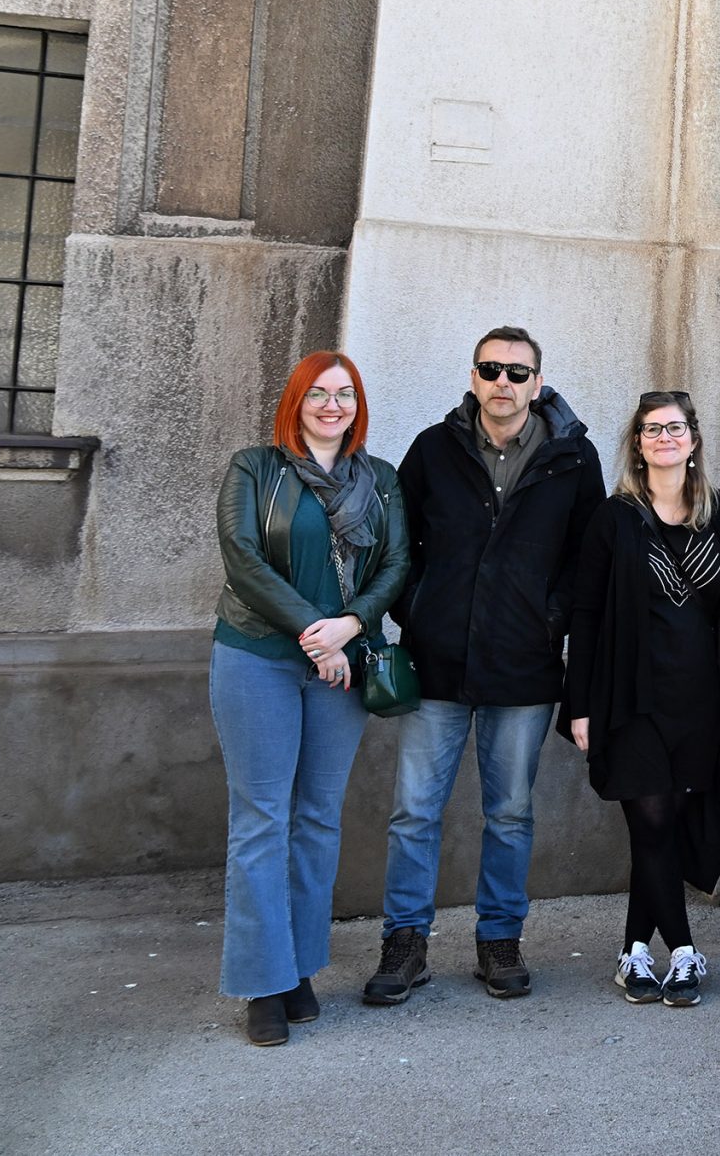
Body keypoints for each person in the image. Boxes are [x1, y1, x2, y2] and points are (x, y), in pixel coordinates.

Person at [367, 326, 604, 1006]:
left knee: (509, 812)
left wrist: (549, 619)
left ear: (537, 382)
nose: (503, 381)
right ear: (473, 377)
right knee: (414, 811)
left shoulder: (572, 457)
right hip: (436, 662)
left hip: (524, 666)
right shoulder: (433, 448)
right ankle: (404, 942)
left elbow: (585, 559)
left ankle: (499, 939)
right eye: (491, 369)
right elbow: (397, 544)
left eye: (517, 372)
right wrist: (419, 610)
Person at [209, 352, 408, 1047]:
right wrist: (312, 632)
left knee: (318, 819)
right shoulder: (254, 468)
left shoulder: (380, 479)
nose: (331, 404)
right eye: (318, 393)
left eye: (344, 393)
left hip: (343, 665)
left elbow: (397, 563)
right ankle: (262, 982)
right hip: (257, 655)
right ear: (295, 401)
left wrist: (350, 626)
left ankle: (297, 967)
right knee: (262, 819)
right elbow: (242, 556)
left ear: (358, 405)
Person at [562, 391, 720, 1009]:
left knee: (668, 827)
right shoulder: (614, 517)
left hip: (700, 697)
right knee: (649, 819)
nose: (665, 438)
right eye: (652, 430)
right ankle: (681, 950)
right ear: (638, 444)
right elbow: (586, 613)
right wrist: (579, 705)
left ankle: (633, 951)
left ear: (694, 440)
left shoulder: (719, 512)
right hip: (631, 696)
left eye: (675, 428)